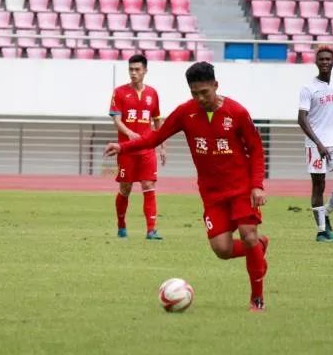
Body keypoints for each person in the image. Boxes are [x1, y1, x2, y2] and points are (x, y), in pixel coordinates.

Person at [104, 62, 270, 312]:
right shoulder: (186, 113)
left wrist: (257, 186)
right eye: (194, 93)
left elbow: (256, 150)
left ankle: (257, 299)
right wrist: (123, 146)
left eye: (205, 92)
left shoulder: (237, 112)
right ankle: (258, 248)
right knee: (222, 250)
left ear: (216, 85)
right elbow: (155, 137)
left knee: (248, 235)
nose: (200, 98)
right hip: (212, 193)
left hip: (241, 188)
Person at [297, 46, 333, 243]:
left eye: (328, 59)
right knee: (318, 185)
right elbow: (301, 119)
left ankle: (326, 212)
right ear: (316, 62)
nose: (325, 62)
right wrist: (318, 143)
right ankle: (322, 231)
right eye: (321, 59)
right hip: (316, 145)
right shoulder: (308, 88)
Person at [108, 54, 166, 240]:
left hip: (147, 149)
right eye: (131, 69)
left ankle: (151, 230)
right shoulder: (119, 92)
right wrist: (130, 134)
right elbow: (116, 120)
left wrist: (162, 146)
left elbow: (157, 122)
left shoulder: (153, 93)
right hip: (126, 149)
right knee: (125, 188)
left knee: (148, 185)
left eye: (137, 69)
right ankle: (121, 225)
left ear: (145, 71)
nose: (133, 73)